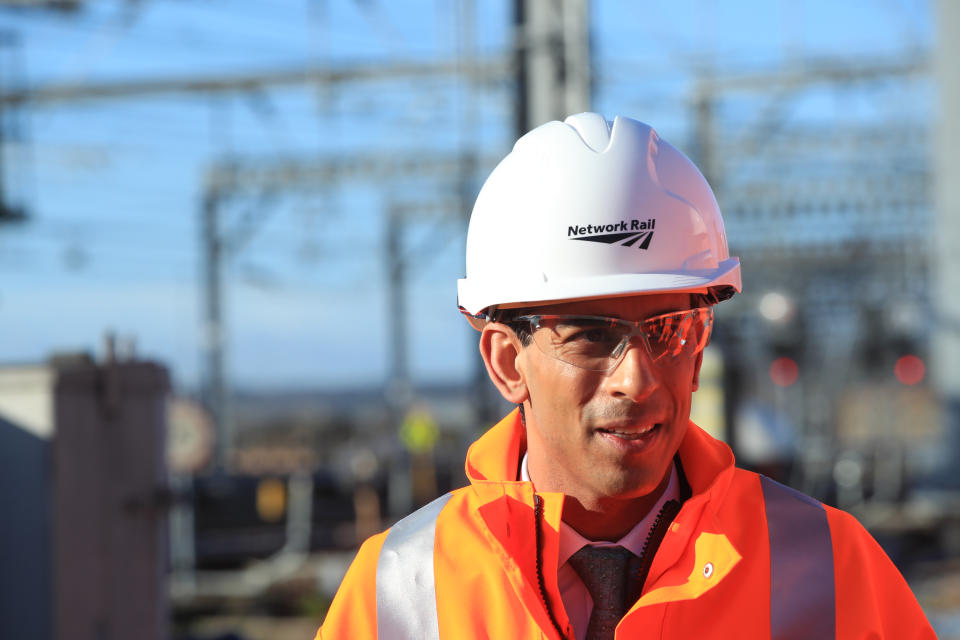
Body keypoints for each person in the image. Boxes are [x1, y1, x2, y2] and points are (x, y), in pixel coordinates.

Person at [317, 113, 935, 639]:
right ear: (508, 362)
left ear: (700, 352)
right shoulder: (401, 592)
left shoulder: (827, 564)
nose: (637, 380)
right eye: (591, 335)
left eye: (670, 330)